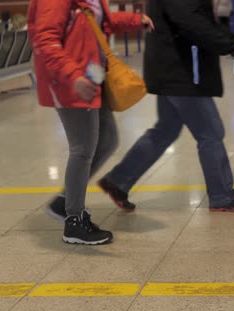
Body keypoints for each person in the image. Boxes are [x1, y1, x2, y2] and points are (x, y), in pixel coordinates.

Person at [98, 0, 234, 213]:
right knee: (210, 132)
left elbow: (199, 18)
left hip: (172, 67)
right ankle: (222, 196)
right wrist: (228, 44)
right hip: (182, 71)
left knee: (165, 130)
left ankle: (119, 180)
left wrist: (233, 41)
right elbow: (190, 22)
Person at [29, 0, 154, 245]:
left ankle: (64, 202)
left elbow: (101, 21)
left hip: (92, 76)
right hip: (70, 81)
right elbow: (46, 39)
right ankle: (73, 221)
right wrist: (73, 77)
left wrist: (135, 20)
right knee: (83, 149)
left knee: (107, 140)